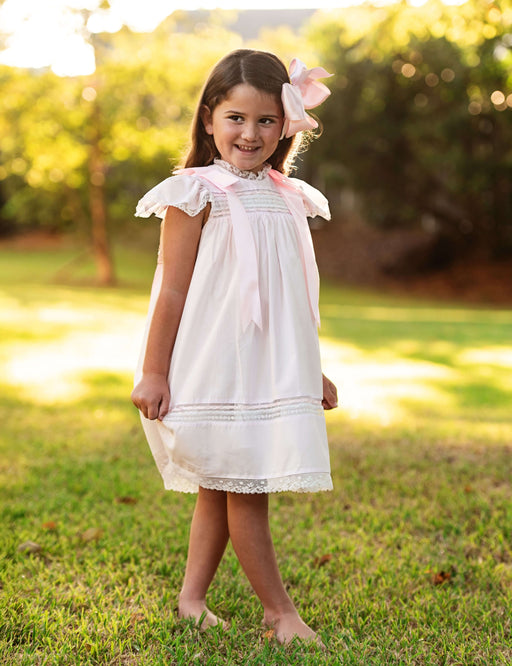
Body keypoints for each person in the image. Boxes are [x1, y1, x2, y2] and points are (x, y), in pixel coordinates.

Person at [131, 49, 338, 644]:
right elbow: (170, 291)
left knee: (222, 483)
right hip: (215, 362)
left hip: (270, 369)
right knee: (246, 488)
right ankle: (280, 615)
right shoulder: (193, 193)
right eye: (236, 118)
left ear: (287, 123)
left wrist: (309, 370)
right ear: (208, 119)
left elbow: (294, 298)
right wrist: (154, 372)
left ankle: (192, 599)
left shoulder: (286, 196)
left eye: (267, 120)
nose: (251, 133)